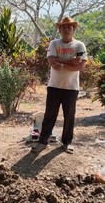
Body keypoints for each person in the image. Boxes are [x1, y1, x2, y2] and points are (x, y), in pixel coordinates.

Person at [31, 16, 87, 154]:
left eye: (69, 27)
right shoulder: (54, 44)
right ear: (60, 30)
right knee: (50, 115)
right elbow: (52, 63)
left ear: (73, 29)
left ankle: (66, 143)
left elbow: (79, 67)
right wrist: (69, 62)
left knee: (69, 116)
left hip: (71, 87)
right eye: (63, 27)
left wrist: (60, 62)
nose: (67, 29)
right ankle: (42, 142)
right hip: (54, 86)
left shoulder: (79, 45)